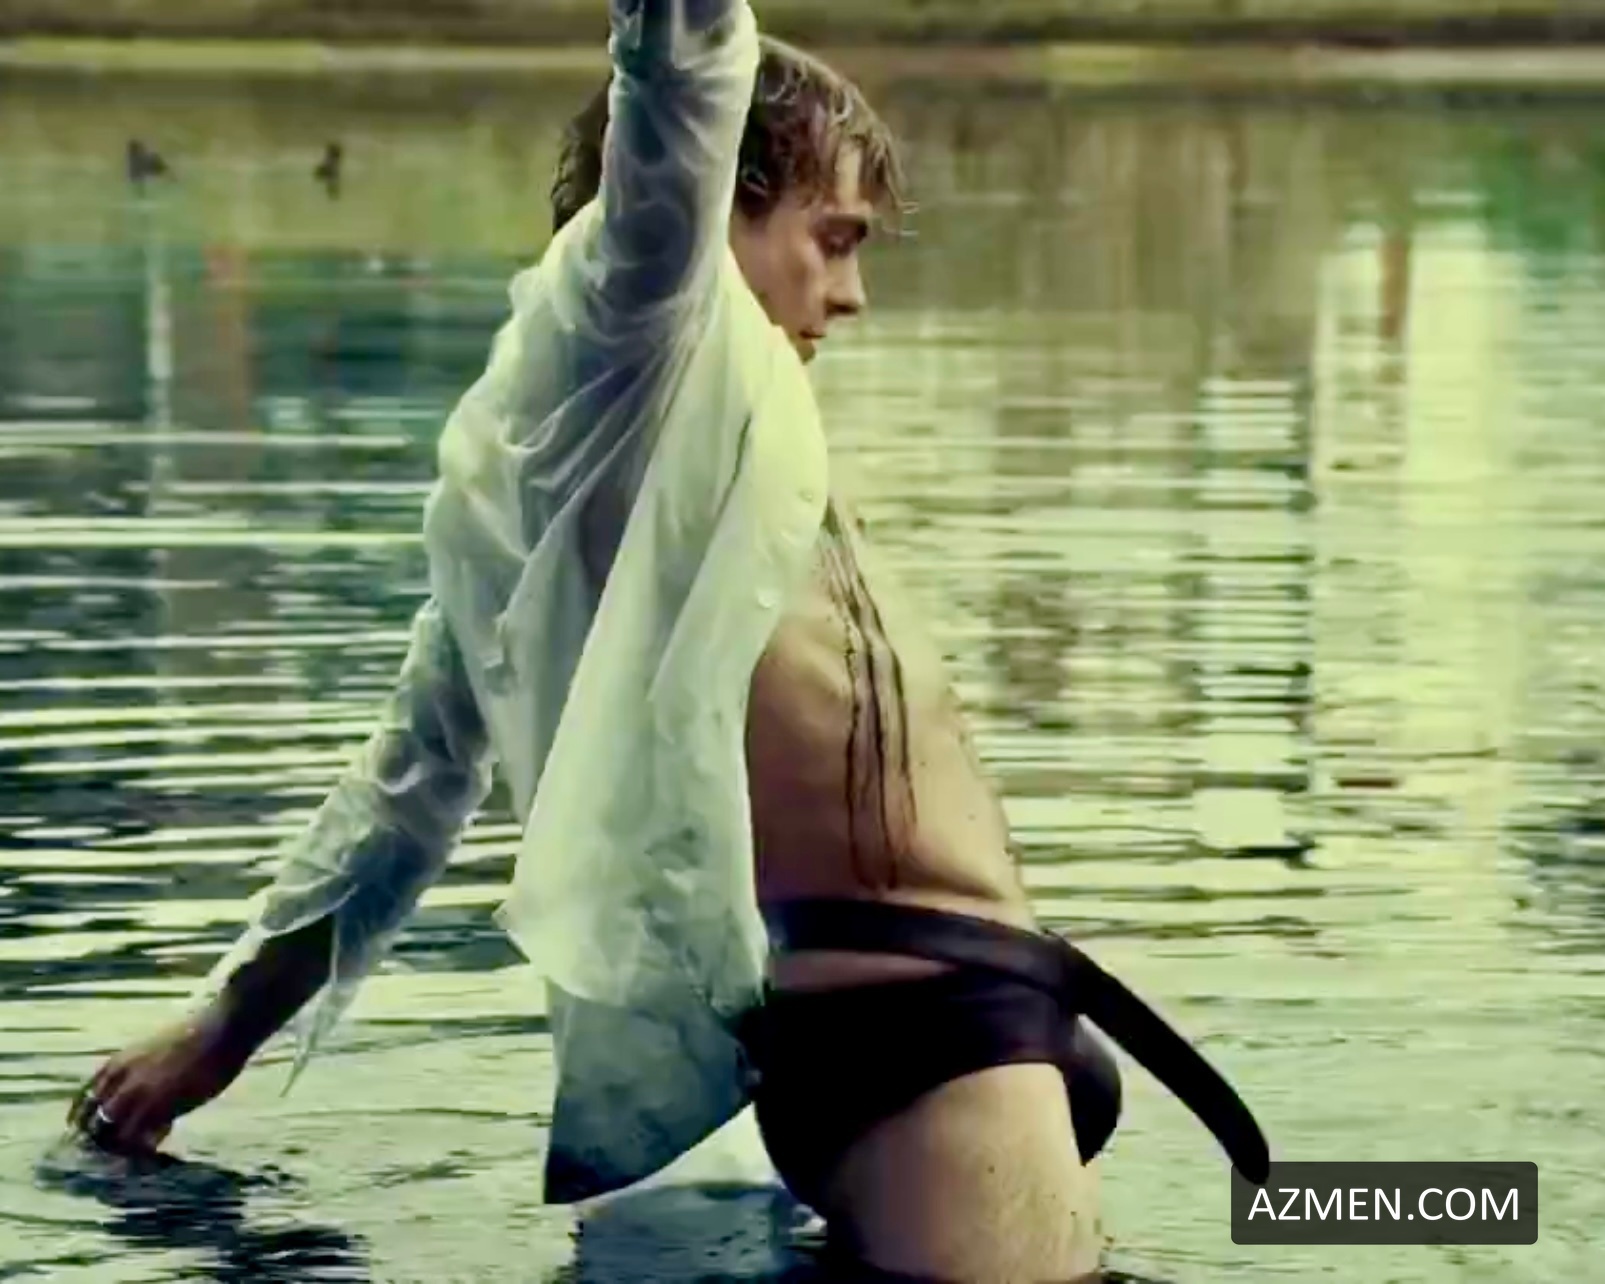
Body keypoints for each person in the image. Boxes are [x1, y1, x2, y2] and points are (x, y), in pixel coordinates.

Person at [68, 2, 1269, 1279]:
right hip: (924, 1038)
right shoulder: (645, 319)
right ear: (705, 209)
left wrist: (221, 1028)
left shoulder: (649, 462)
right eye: (833, 239)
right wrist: (221, 1031)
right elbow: (684, 56)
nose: (852, 294)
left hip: (927, 1028)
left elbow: (401, 800)